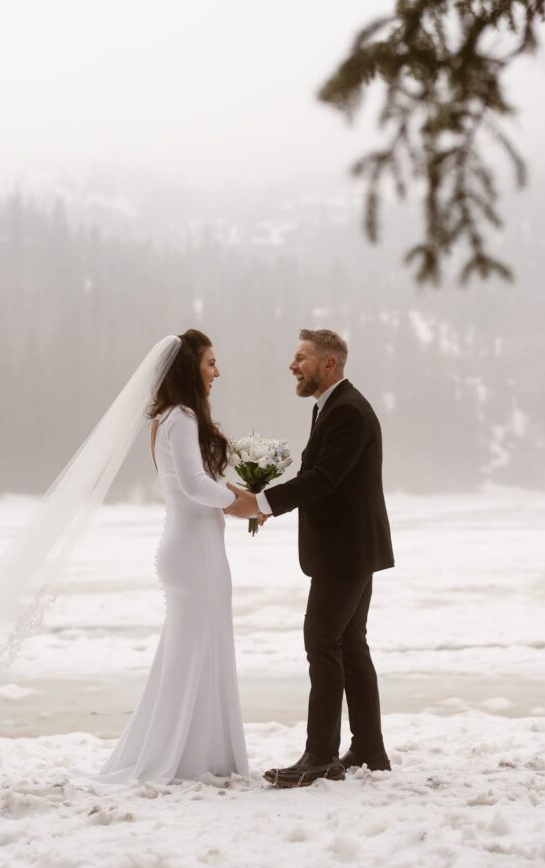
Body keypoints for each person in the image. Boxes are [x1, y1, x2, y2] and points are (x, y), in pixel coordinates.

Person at [225, 328, 394, 788]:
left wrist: (260, 503)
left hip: (346, 552)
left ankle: (320, 756)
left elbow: (324, 478)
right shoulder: (335, 407)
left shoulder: (348, 411)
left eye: (301, 357)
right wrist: (267, 504)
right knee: (350, 644)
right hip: (351, 547)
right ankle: (369, 749)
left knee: (321, 641)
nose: (292, 365)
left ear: (329, 364)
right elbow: (322, 478)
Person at [93, 329, 249, 784]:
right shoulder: (181, 418)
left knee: (195, 650)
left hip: (191, 544)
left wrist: (230, 502)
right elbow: (194, 484)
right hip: (194, 549)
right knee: (196, 650)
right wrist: (242, 501)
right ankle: (185, 757)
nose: (217, 372)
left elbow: (193, 485)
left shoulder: (165, 417)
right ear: (189, 368)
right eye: (210, 363)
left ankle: (196, 751)